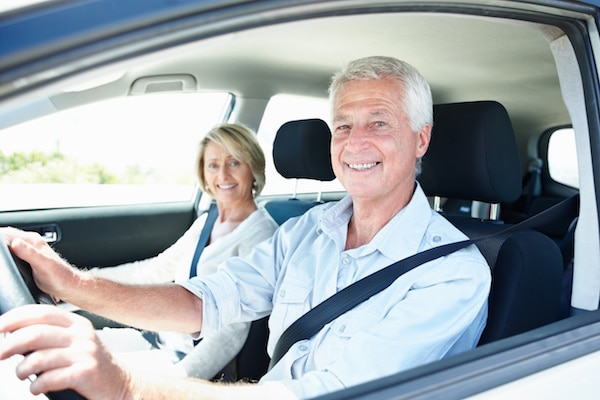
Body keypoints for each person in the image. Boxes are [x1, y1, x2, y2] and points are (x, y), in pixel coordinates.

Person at [0, 56, 491, 400]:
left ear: (421, 138)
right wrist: (74, 285)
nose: (355, 143)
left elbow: (329, 394)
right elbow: (202, 301)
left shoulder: (453, 274)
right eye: (343, 125)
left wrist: (128, 387)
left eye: (379, 123)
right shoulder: (306, 232)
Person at [85, 123, 278, 379]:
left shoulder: (263, 234)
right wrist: (82, 279)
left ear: (252, 167)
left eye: (234, 163)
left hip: (188, 364)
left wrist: (178, 384)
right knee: (70, 346)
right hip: (159, 341)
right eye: (213, 165)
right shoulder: (206, 223)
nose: (223, 175)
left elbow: (231, 333)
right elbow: (152, 271)